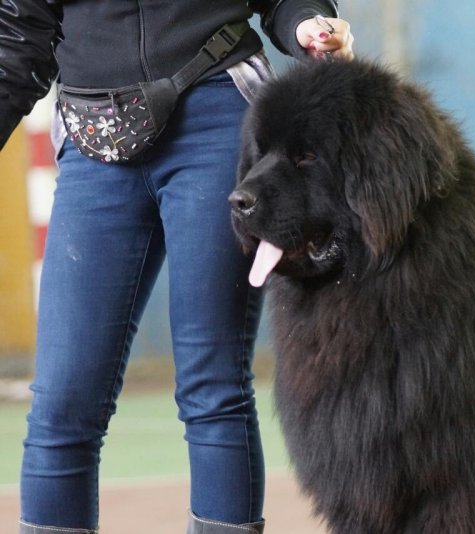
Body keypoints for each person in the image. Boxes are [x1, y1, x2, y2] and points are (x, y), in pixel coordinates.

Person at [0, 1, 353, 533]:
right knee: (61, 406)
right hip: (93, 136)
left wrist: (306, 21)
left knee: (213, 391)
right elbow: (19, 30)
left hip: (215, 112)